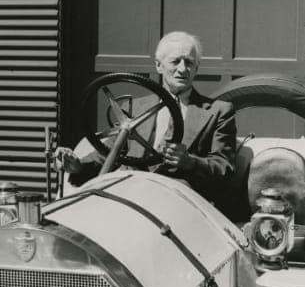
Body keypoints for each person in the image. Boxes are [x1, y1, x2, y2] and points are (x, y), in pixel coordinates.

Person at [55, 31, 238, 210]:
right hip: (129, 194)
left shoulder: (218, 111)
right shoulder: (135, 108)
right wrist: (78, 165)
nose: (182, 69)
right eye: (175, 61)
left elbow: (224, 167)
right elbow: (110, 151)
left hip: (179, 201)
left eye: (189, 62)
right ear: (159, 65)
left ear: (197, 68)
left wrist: (189, 162)